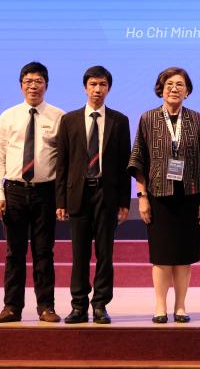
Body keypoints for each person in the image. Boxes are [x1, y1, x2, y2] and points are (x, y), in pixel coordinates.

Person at [127, 67, 200, 323]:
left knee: (184, 255)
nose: (174, 88)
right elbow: (139, 160)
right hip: (158, 197)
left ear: (187, 91)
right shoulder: (148, 119)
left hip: (190, 196)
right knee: (162, 255)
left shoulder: (197, 119)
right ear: (160, 89)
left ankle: (181, 306)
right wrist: (142, 197)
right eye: (169, 84)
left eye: (180, 84)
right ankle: (160, 306)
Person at [55, 65, 132, 325]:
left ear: (108, 88)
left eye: (102, 85)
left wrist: (124, 201)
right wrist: (61, 200)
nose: (97, 89)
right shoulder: (69, 120)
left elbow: (125, 164)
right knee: (79, 255)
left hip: (106, 194)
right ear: (85, 87)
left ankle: (100, 305)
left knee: (105, 253)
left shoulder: (119, 121)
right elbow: (62, 163)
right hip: (78, 195)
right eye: (93, 84)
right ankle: (78, 306)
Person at [0, 62, 64, 323]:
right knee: (14, 252)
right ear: (21, 85)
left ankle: (46, 307)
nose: (33, 86)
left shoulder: (59, 116)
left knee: (45, 252)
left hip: (46, 192)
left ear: (46, 85)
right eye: (28, 81)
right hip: (14, 192)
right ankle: (12, 307)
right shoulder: (8, 116)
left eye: (39, 81)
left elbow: (63, 161)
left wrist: (62, 198)